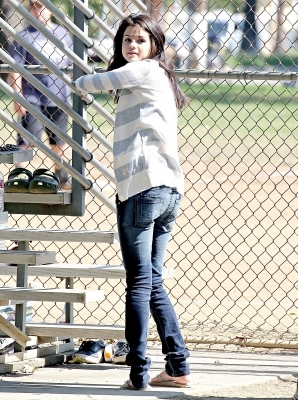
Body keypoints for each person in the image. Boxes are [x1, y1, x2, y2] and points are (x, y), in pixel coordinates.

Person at [75, 13, 191, 390]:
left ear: (154, 46)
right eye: (127, 40)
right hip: (166, 189)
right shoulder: (155, 76)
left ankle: (138, 373)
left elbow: (86, 83)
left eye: (141, 40)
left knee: (139, 282)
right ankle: (177, 366)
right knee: (152, 280)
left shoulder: (144, 71)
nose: (132, 46)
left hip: (144, 188)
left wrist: (78, 76)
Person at [8, 0, 72, 189]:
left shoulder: (62, 34)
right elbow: (15, 69)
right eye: (33, 7)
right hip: (32, 98)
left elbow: (71, 66)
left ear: (50, 9)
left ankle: (62, 175)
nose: (37, 11)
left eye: (41, 6)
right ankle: (19, 176)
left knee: (59, 142)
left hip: (59, 96)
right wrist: (18, 96)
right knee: (27, 139)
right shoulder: (23, 36)